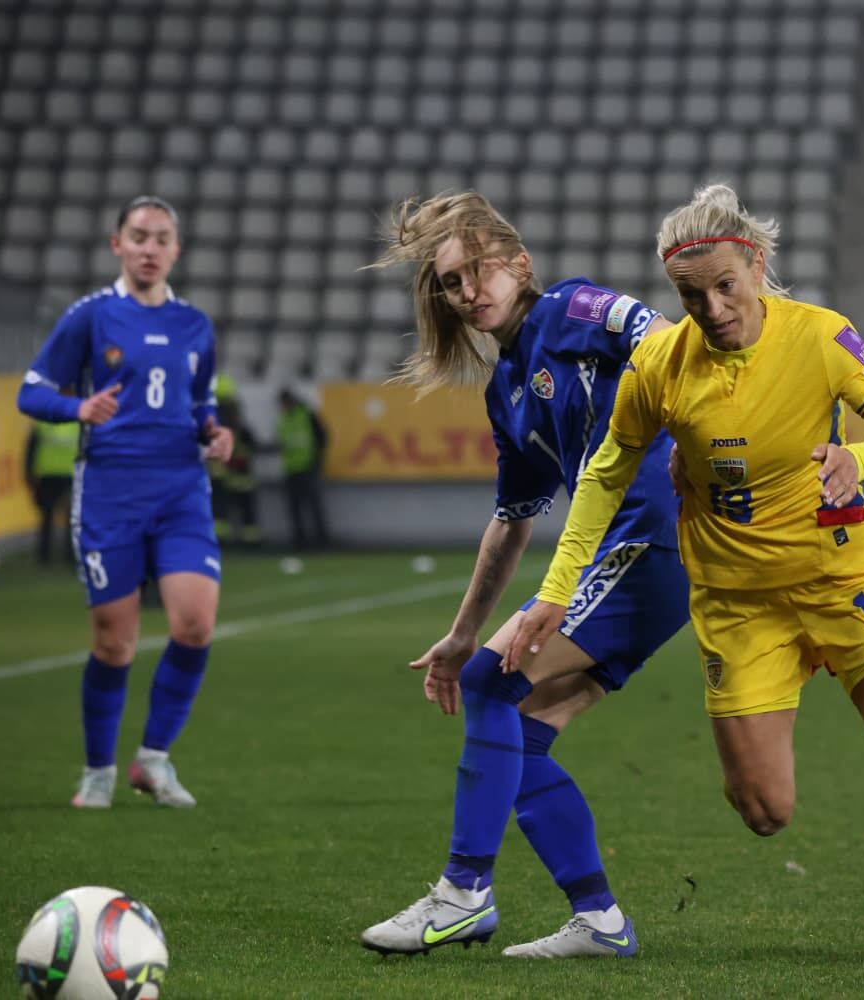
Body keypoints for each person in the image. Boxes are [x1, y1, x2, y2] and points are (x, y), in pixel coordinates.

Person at [509, 184, 864, 967]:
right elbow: (605, 475)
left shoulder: (822, 335)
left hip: (843, 582)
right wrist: (554, 592)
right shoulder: (658, 364)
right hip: (738, 606)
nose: (712, 309)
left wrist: (859, 458)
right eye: (691, 295)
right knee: (763, 811)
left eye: (725, 286)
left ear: (755, 266)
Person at [357, 191, 687, 959]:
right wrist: (461, 631)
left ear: (519, 264)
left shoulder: (572, 308)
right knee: (523, 731)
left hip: (654, 538)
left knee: (488, 684)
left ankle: (462, 893)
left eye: (478, 270)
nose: (467, 290)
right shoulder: (507, 392)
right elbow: (511, 521)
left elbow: (668, 340)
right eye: (451, 282)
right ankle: (600, 921)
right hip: (618, 554)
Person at [17, 195, 233, 810]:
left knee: (195, 625)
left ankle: (154, 760)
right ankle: (97, 771)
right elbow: (32, 391)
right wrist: (77, 408)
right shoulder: (91, 316)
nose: (149, 248)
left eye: (161, 238)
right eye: (138, 236)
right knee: (115, 642)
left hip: (181, 489)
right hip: (111, 490)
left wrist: (214, 432)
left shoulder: (195, 325)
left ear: (176, 249)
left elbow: (201, 402)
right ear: (117, 244)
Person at [25, 404, 80, 566]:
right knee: (66, 517)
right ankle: (65, 555)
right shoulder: (77, 420)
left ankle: (46, 556)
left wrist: (29, 472)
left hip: (52, 474)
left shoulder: (42, 421)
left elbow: (31, 448)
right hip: (63, 473)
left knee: (50, 517)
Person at [275, 388, 330, 550]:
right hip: (291, 469)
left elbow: (322, 437)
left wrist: (317, 461)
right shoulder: (283, 420)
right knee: (295, 509)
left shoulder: (307, 415)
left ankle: (322, 540)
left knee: (313, 507)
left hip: (308, 467)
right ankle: (300, 542)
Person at [209, 395, 262, 547]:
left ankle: (241, 540)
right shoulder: (238, 430)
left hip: (233, 478)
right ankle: (245, 540)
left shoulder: (227, 431)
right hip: (231, 478)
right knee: (233, 513)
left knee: (229, 512)